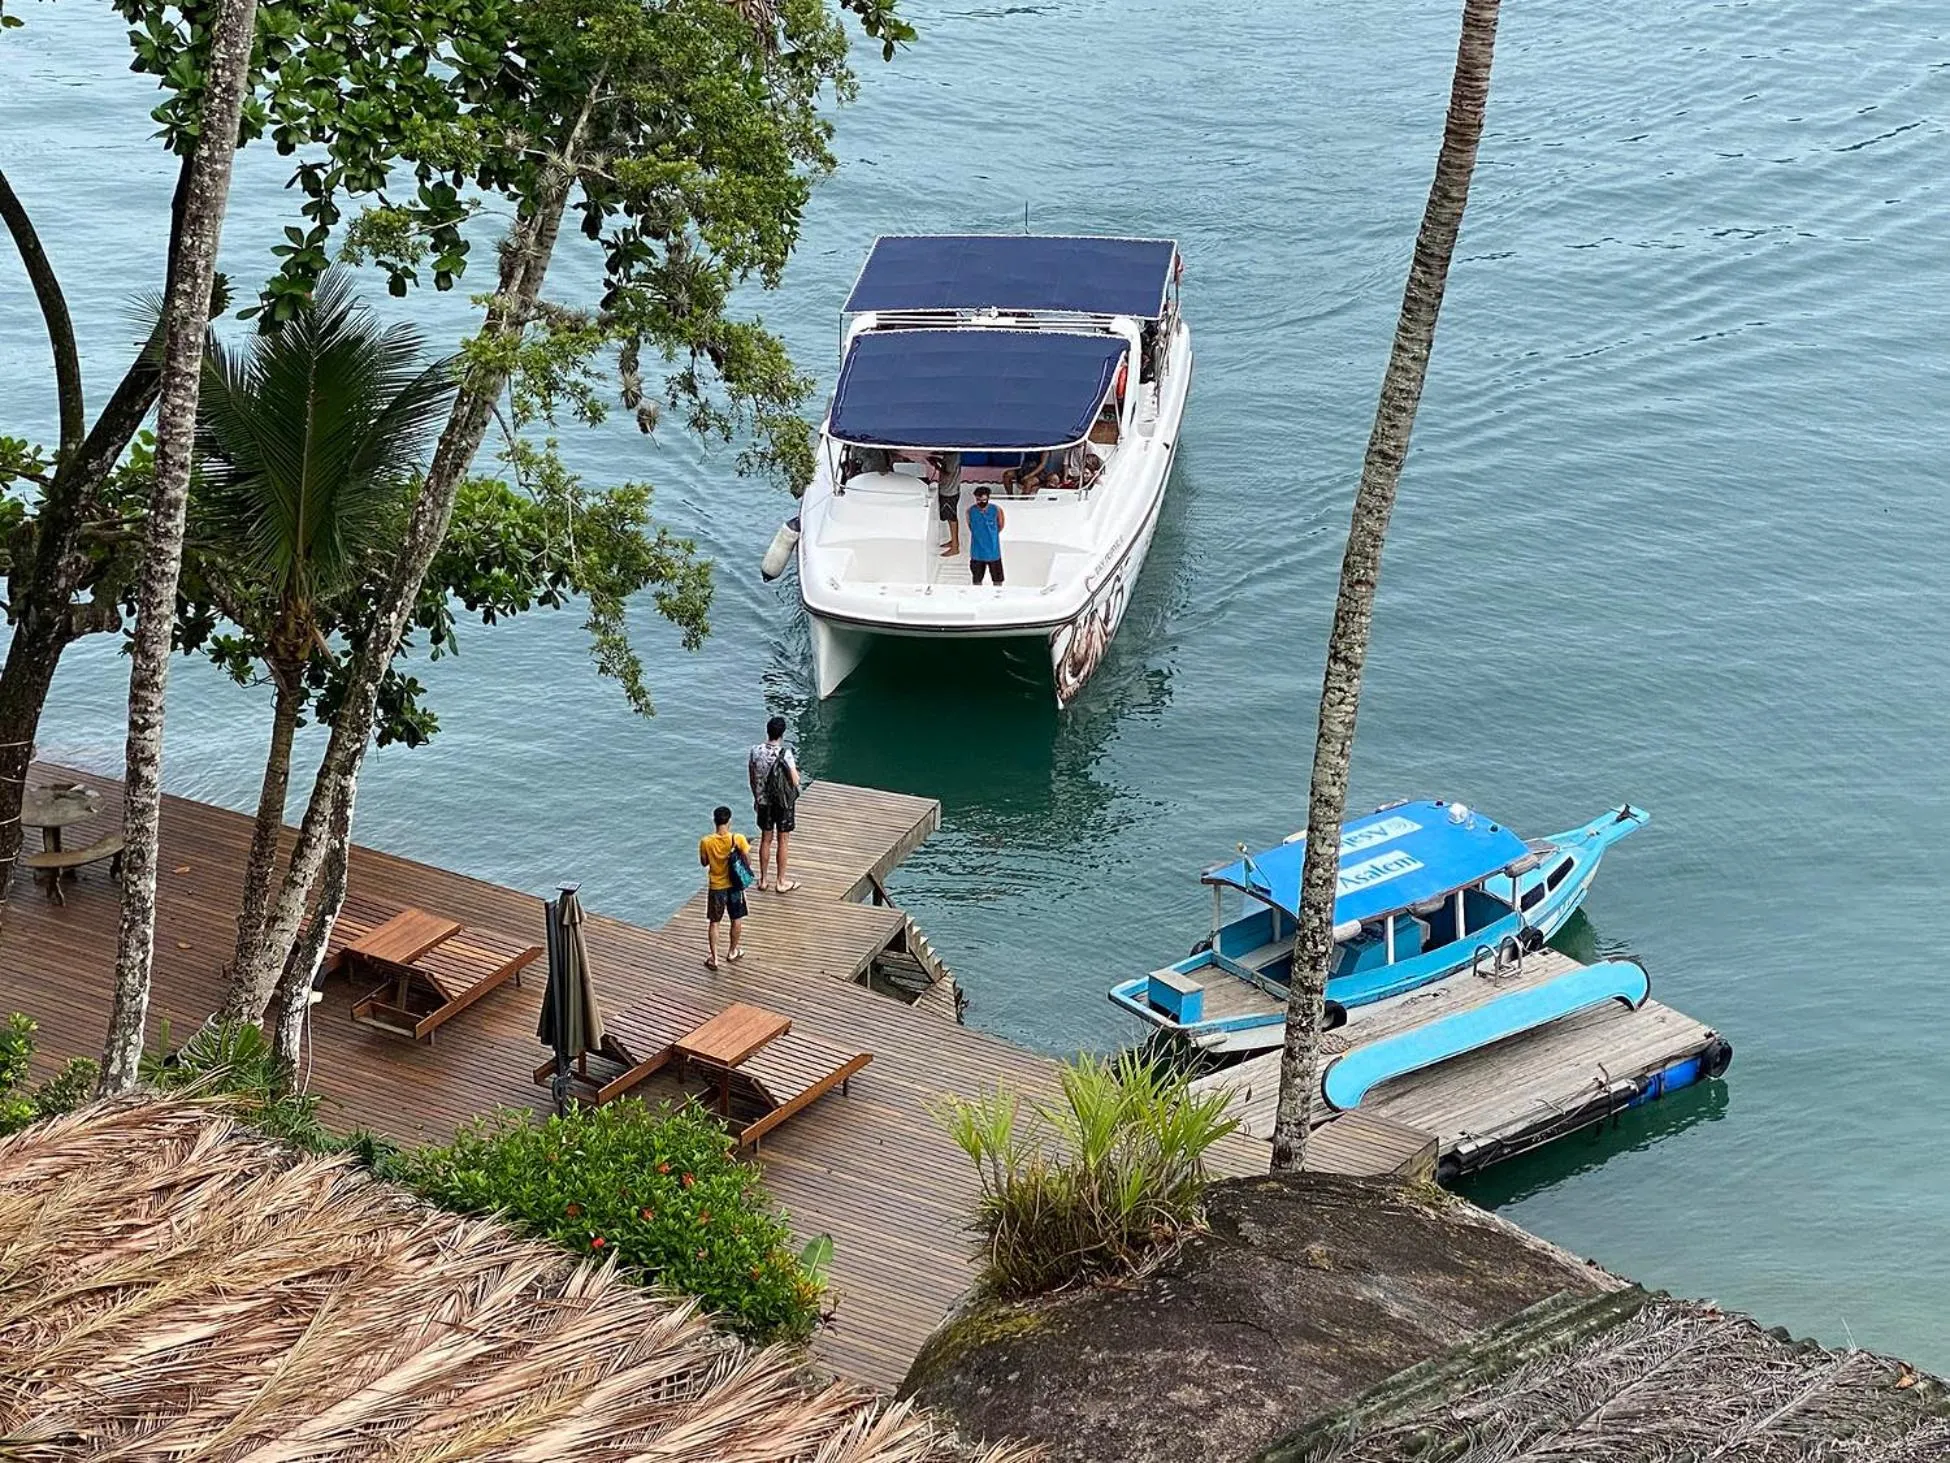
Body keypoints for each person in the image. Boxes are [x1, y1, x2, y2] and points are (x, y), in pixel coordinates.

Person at [748, 714, 802, 892]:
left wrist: (757, 798)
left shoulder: (755, 751)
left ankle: (763, 880)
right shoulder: (785, 754)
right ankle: (781, 881)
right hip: (783, 803)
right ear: (782, 734)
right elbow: (795, 781)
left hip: (763, 802)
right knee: (783, 840)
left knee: (766, 839)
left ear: (768, 731)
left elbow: (752, 778)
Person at [698, 805, 751, 969]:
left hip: (716, 887)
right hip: (735, 886)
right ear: (729, 822)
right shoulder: (738, 839)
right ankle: (732, 951)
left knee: (714, 922)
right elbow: (747, 862)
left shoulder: (706, 842)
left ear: (714, 821)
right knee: (736, 919)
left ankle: (714, 958)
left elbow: (704, 863)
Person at [967, 484, 1006, 585]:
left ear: (988, 498)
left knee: (997, 580)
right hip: (977, 552)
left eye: (983, 500)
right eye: (978, 500)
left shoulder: (996, 510)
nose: (981, 502)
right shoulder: (970, 511)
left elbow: (1000, 525)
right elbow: (970, 526)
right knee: (977, 580)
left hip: (993, 552)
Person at [930, 451, 963, 556]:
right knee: (950, 517)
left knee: (952, 518)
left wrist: (936, 465)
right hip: (951, 490)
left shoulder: (953, 457)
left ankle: (955, 547)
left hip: (949, 491)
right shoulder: (952, 455)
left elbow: (947, 474)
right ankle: (953, 541)